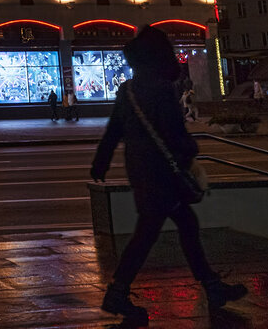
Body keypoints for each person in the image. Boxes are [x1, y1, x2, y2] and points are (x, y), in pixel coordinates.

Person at [91, 26, 246, 323]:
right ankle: (118, 293)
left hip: (141, 171)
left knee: (182, 225)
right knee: (151, 233)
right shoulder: (162, 90)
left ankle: (212, 286)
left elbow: (113, 130)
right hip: (162, 176)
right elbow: (175, 135)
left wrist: (101, 162)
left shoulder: (128, 91)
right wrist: (191, 149)